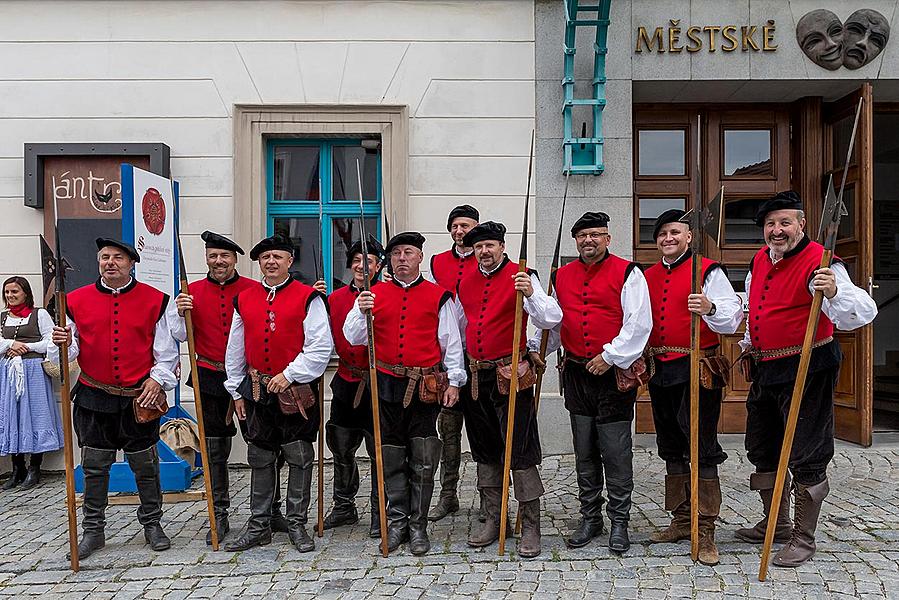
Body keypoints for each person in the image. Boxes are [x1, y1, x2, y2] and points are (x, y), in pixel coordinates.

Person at [736, 191, 877, 568]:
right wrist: (749, 343)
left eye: (785, 223)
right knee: (762, 446)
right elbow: (755, 306)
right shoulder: (760, 260)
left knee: (807, 450)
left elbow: (862, 312)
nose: (777, 230)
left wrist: (831, 290)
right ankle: (777, 523)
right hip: (767, 367)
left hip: (809, 365)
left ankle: (803, 537)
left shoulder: (823, 261)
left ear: (801, 224)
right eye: (770, 224)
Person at [49, 238, 180, 559]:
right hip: (94, 398)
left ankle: (152, 524)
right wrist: (61, 342)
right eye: (105, 257)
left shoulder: (156, 300)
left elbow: (167, 353)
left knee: (145, 466)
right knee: (94, 467)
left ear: (132, 263)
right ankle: (94, 531)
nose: (110, 262)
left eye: (118, 258)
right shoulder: (74, 301)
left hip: (139, 398)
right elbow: (67, 352)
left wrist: (158, 380)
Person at [531, 212, 651, 554]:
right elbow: (553, 324)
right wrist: (536, 349)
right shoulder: (562, 275)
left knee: (615, 452)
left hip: (612, 375)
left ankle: (620, 522)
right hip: (576, 374)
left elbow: (638, 323)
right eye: (583, 236)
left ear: (608, 239)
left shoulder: (629, 272)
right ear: (576, 240)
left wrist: (610, 356)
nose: (589, 241)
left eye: (596, 235)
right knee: (584, 451)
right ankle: (590, 517)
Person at [344, 231, 465, 555]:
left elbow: (450, 344)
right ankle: (396, 523)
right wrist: (360, 309)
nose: (401, 259)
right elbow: (353, 337)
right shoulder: (373, 293)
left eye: (408, 253)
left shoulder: (439, 296)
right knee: (391, 458)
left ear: (419, 257)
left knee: (424, 460)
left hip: (424, 388)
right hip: (385, 386)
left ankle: (418, 525)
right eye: (396, 253)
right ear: (389, 260)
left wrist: (454, 382)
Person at [456, 221, 562, 558]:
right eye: (478, 247)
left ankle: (530, 523)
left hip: (510, 375)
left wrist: (530, 293)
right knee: (485, 449)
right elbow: (461, 327)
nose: (484, 252)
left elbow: (552, 318)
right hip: (476, 376)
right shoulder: (464, 282)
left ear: (502, 246)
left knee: (520, 449)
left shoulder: (523, 275)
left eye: (490, 245)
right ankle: (492, 518)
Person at [643, 210, 743, 565]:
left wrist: (710, 306)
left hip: (698, 367)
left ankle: (706, 530)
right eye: (662, 233)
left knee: (700, 445)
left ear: (688, 237)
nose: (668, 238)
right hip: (660, 369)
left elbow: (733, 316)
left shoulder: (708, 270)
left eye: (675, 232)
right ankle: (683, 520)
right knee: (670, 445)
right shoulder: (646, 275)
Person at [223, 234, 333, 553]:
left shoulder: (307, 297)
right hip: (257, 388)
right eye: (265, 257)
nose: (271, 262)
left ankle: (296, 523)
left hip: (296, 390)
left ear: (289, 261)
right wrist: (236, 389)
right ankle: (260, 524)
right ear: (259, 262)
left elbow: (319, 346)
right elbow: (235, 348)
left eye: (278, 257)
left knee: (299, 455)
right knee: (260, 455)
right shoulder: (244, 298)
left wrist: (289, 374)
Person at [172, 231, 255, 544]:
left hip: (249, 379)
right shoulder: (189, 293)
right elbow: (179, 336)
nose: (218, 261)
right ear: (206, 258)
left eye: (224, 256)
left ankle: (266, 512)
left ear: (235, 259)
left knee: (261, 447)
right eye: (213, 256)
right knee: (214, 450)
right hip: (208, 375)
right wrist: (181, 314)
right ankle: (218, 514)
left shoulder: (253, 289)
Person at [319, 235, 385, 537]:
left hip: (379, 382)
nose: (361, 265)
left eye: (368, 260)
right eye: (356, 260)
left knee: (379, 450)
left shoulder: (387, 293)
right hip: (346, 380)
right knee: (341, 447)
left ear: (378, 266)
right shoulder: (333, 300)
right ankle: (344, 506)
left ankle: (379, 510)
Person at [427, 204, 480, 521]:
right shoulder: (435, 263)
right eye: (456, 226)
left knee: (485, 430)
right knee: (447, 432)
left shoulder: (488, 259)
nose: (461, 231)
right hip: (447, 357)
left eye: (467, 225)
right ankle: (448, 495)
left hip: (479, 356)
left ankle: (492, 498)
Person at [0, 276, 63, 490]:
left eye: (14, 292)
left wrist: (27, 347)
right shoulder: (3, 317)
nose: (10, 296)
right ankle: (18, 468)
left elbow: (51, 340)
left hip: (33, 371)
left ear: (25, 293)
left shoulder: (39, 314)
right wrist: (11, 344)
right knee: (13, 417)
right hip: (10, 371)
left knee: (36, 415)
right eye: (7, 292)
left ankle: (35, 467)